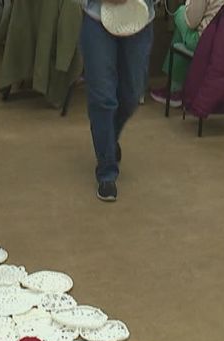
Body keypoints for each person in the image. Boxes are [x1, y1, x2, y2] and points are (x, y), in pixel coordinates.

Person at [78, 0, 156, 203]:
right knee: (103, 98)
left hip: (140, 18)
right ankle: (107, 171)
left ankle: (109, 141)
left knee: (132, 94)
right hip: (97, 18)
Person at [151, 0, 224, 105]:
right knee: (183, 29)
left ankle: (175, 89)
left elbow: (191, 22)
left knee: (181, 13)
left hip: (205, 42)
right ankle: (177, 87)